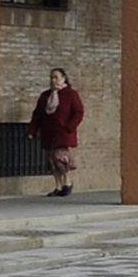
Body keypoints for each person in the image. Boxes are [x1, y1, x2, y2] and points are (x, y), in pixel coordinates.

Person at [31, 68, 85, 198]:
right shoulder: (45, 96)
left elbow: (78, 112)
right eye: (51, 78)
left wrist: (69, 127)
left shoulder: (71, 94)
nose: (53, 80)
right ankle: (58, 186)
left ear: (63, 78)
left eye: (56, 77)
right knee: (52, 161)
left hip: (63, 133)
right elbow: (38, 114)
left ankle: (67, 183)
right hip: (49, 132)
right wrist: (32, 130)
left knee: (60, 159)